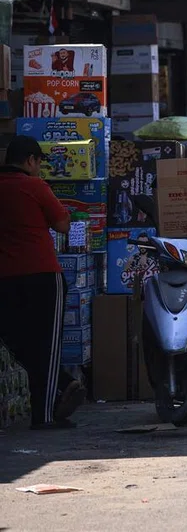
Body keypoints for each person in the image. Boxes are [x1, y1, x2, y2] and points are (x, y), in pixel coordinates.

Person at [0, 136, 85, 429]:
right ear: (30, 161)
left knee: (15, 340)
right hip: (42, 275)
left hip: (5, 277)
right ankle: (45, 415)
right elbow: (62, 224)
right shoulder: (35, 186)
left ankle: (60, 384)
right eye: (38, 163)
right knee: (46, 344)